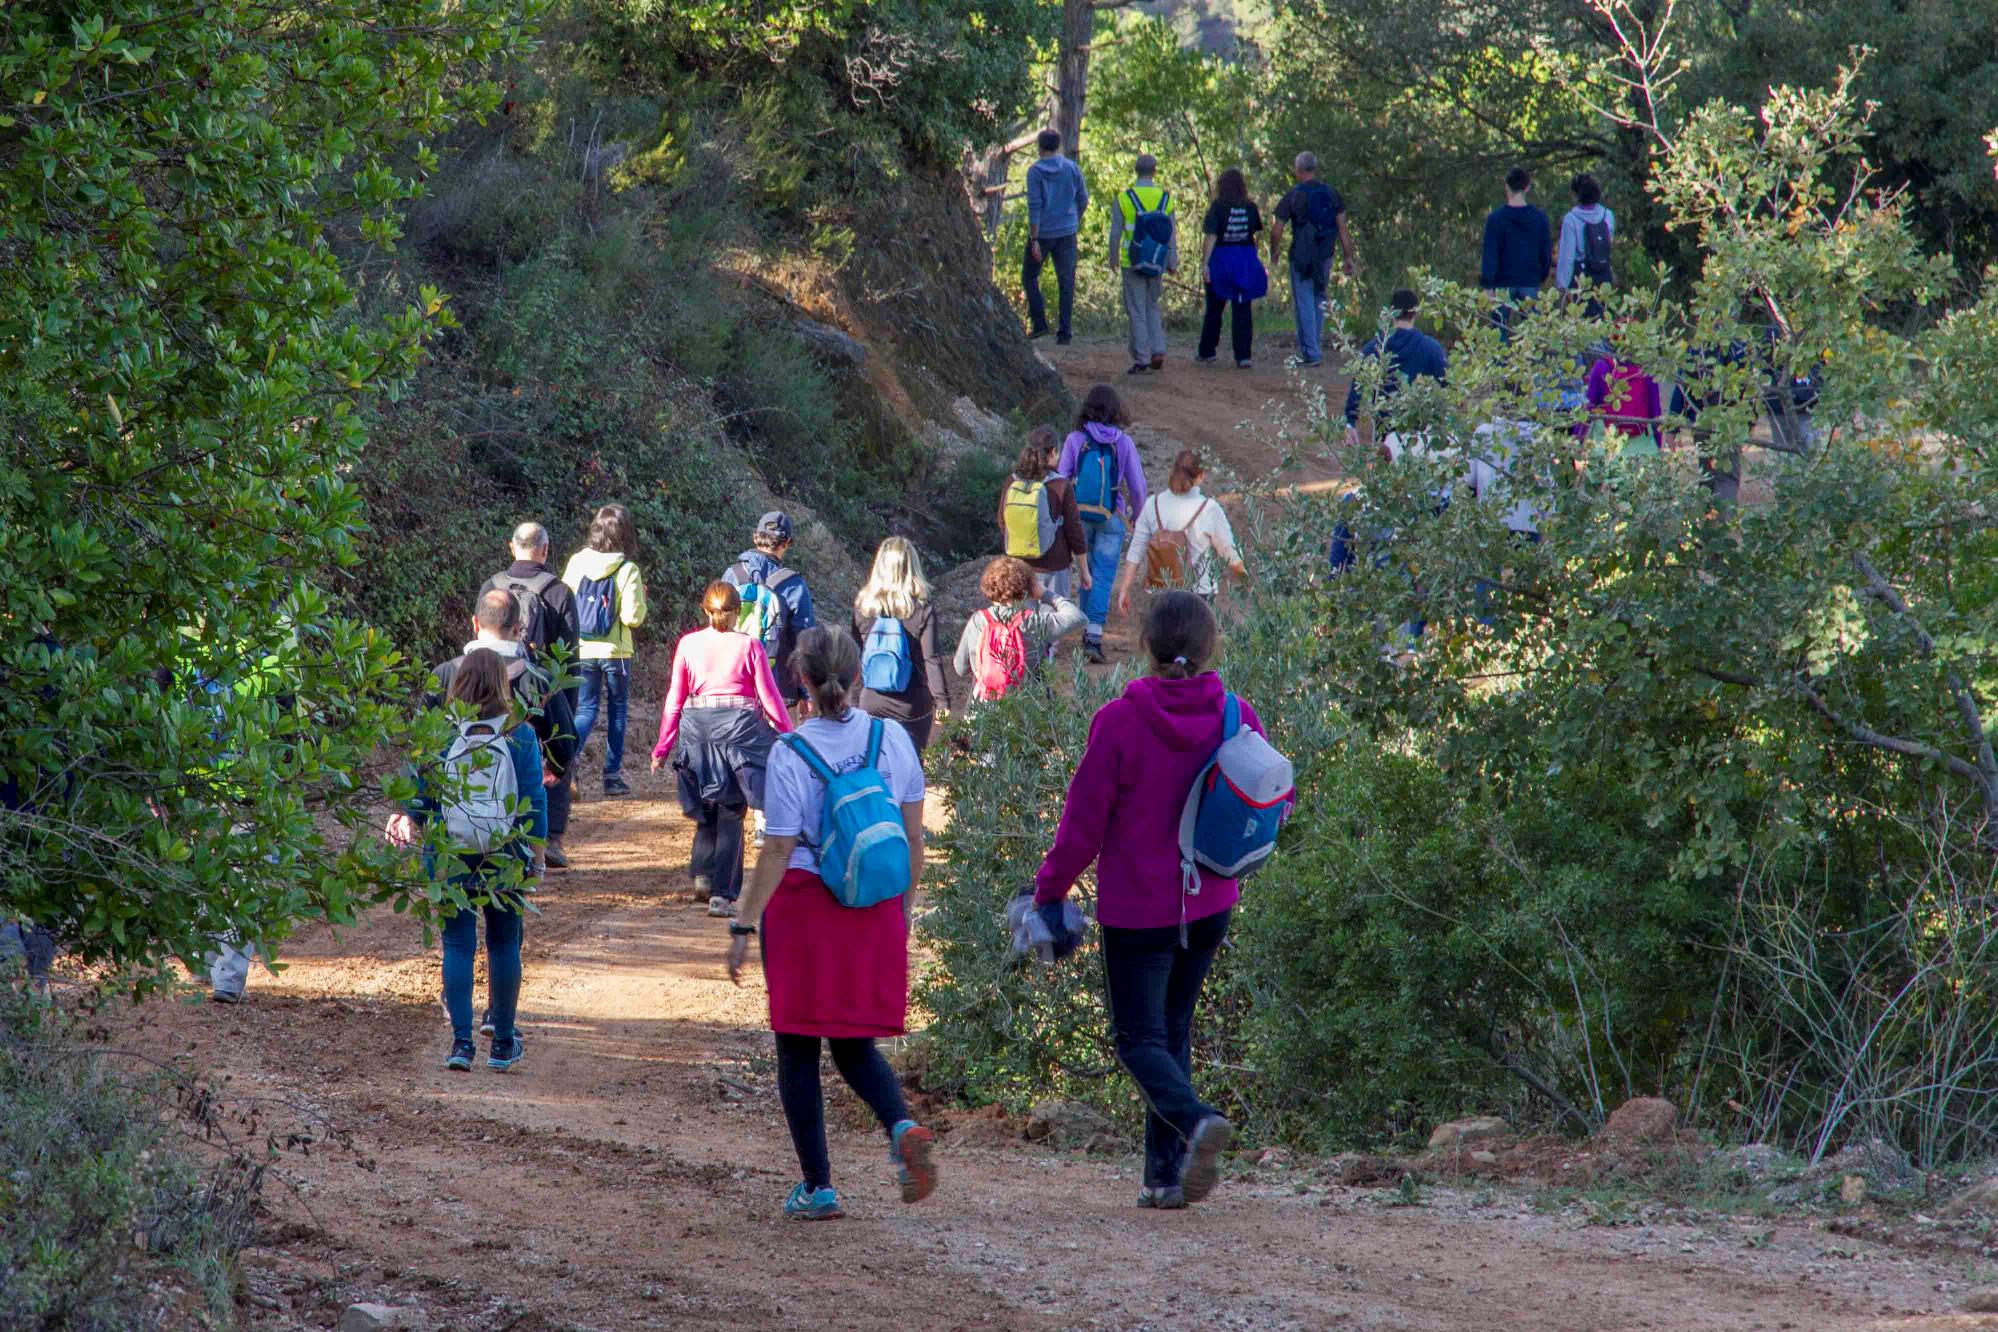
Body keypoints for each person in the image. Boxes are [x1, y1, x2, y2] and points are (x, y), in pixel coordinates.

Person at [1033, 593, 1268, 1208]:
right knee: (1172, 1031)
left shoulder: (1119, 721)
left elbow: (1081, 828)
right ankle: (1164, 1177)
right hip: (1210, 901)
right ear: (1211, 647)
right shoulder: (1237, 716)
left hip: (1139, 910)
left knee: (1139, 1040)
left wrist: (1049, 892)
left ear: (1144, 647)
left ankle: (1195, 1121)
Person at [725, 628, 939, 1221]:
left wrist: (743, 926)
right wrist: (903, 911)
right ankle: (901, 1126)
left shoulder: (790, 752)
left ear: (802, 679)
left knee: (796, 1046)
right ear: (858, 675)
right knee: (853, 1043)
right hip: (872, 903)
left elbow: (778, 849)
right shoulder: (892, 739)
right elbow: (913, 837)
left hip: (804, 906)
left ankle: (818, 1187)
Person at [388, 649, 545, 1073]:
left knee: (457, 944)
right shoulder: (520, 735)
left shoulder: (440, 735)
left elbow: (422, 798)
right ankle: (503, 1044)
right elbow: (535, 802)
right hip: (505, 853)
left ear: (458, 684)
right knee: (503, 943)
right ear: (502, 685)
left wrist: (409, 821)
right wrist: (536, 860)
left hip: (450, 854)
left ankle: (461, 1044)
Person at [650, 582, 793, 918]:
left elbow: (675, 699)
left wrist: (663, 746)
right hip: (738, 732)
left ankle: (703, 873)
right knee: (731, 811)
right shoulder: (750, 645)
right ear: (738, 612)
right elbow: (770, 698)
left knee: (707, 806)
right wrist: (789, 735)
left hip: (696, 730)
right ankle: (722, 895)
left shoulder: (688, 644)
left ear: (705, 609)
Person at [430, 588, 577, 875]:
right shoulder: (538, 679)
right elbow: (565, 743)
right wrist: (554, 768)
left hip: (450, 832)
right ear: (518, 628)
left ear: (475, 623)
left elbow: (420, 748)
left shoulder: (444, 674)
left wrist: (407, 810)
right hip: (511, 831)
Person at [479, 521, 580, 865]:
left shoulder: (492, 586)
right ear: (545, 549)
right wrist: (566, 711)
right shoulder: (559, 591)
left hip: (490, 687)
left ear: (512, 547)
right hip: (540, 689)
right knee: (553, 757)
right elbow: (570, 657)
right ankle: (550, 839)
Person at [1057, 385, 1148, 663]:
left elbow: (1061, 478)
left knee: (1085, 572)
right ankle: (1094, 636)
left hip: (1078, 517)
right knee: (1104, 576)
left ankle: (1087, 629)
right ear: (1115, 410)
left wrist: (1061, 514)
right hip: (1111, 517)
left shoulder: (1075, 439)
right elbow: (1137, 486)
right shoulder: (1123, 443)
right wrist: (1137, 515)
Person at [561, 504, 647, 798]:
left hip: (582, 649)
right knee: (618, 711)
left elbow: (565, 602)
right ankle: (612, 777)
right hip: (616, 653)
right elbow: (633, 618)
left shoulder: (577, 562)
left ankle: (566, 763)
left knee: (585, 709)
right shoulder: (627, 569)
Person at [850, 538, 951, 752]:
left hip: (872, 701)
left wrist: (849, 698)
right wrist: (942, 702)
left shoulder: (863, 607)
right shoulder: (922, 609)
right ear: (912, 567)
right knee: (912, 764)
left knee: (874, 763)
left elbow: (854, 656)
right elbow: (931, 659)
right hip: (912, 705)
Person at [1117, 450, 1246, 613]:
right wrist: (1245, 579)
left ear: (1173, 472)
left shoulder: (1152, 504)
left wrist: (1124, 588)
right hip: (1199, 594)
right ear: (1201, 475)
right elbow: (1229, 551)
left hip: (1160, 591)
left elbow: (1136, 550)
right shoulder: (1209, 508)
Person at [952, 557, 1087, 703]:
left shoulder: (978, 621)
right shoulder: (1034, 621)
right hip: (1028, 705)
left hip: (986, 706)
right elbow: (1078, 617)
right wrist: (1045, 594)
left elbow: (960, 669)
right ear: (1028, 588)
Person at [724, 511, 818, 718]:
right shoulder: (793, 584)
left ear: (755, 537)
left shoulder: (732, 575)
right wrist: (806, 692)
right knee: (780, 739)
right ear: (787, 543)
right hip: (779, 692)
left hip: (733, 687)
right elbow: (805, 643)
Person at [1269, 151, 1356, 369]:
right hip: (1325, 255)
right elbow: (1342, 228)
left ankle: (1311, 352)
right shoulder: (1331, 194)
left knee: (1304, 301)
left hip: (1301, 255)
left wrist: (1274, 251)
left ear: (1298, 170)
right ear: (1314, 168)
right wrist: (1348, 257)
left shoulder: (1293, 195)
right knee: (1319, 297)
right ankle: (1313, 346)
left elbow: (1277, 229)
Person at [997, 426, 1090, 603]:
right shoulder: (1061, 485)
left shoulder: (1012, 481)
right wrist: (1084, 571)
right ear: (1053, 451)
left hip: (1020, 567)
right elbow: (1074, 529)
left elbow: (1002, 521)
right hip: (1054, 567)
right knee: (1055, 618)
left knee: (1023, 619)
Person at [1106, 152, 1177, 375]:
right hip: (1157, 260)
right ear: (1154, 172)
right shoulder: (1166, 199)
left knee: (1136, 310)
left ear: (1136, 171)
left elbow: (1115, 233)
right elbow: (1171, 235)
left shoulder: (1124, 198)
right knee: (1152, 304)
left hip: (1132, 261)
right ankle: (1158, 349)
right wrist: (1172, 261)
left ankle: (1142, 358)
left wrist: (1113, 258)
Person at [1343, 288, 1450, 431]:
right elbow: (1447, 389)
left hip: (1383, 433)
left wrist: (1350, 423)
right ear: (1415, 314)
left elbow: (1357, 390)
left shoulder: (1373, 348)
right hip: (1420, 434)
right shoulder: (1432, 349)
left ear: (1392, 314)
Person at [1196, 168, 1267, 369]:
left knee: (1214, 308)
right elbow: (1254, 235)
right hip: (1244, 260)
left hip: (1221, 260)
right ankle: (1243, 356)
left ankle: (1207, 351)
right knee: (1242, 307)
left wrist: (1205, 263)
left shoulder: (1217, 207)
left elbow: (1211, 236)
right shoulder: (1250, 207)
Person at [1023, 128, 1088, 346]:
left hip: (1042, 234)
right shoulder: (1072, 168)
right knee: (1066, 281)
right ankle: (1065, 333)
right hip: (1067, 232)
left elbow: (1035, 206)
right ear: (1058, 146)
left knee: (1029, 276)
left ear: (1039, 147)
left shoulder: (1035, 172)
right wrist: (1074, 219)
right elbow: (1083, 198)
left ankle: (1040, 324)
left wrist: (1034, 240)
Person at [1480, 167, 1552, 337]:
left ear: (1507, 187)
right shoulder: (1539, 218)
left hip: (1502, 284)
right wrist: (1541, 276)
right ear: (1527, 187)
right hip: (1529, 281)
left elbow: (1490, 254)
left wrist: (1488, 284)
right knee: (1533, 336)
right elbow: (1545, 252)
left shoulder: (1495, 219)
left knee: (1498, 335)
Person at [1581, 349, 1664, 453]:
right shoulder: (1646, 369)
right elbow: (1655, 412)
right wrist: (1659, 444)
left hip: (1606, 445)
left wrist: (1579, 439)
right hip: (1641, 446)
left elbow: (1589, 406)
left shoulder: (1601, 366)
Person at [1556, 172, 1616, 294]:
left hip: (1581, 278)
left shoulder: (1571, 219)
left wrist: (1562, 285)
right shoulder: (1608, 215)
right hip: (1604, 276)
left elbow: (1567, 256)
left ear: (1576, 194)